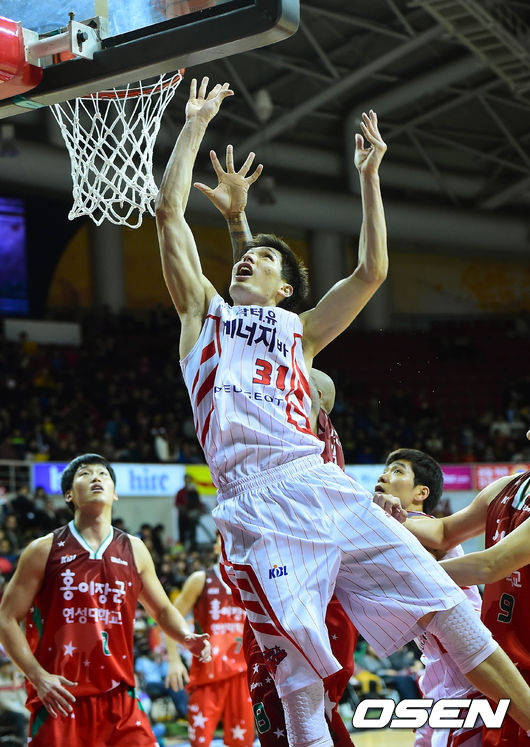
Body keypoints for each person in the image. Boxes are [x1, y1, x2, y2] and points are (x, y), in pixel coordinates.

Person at [155, 76, 530, 746]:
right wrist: (193, 126)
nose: (249, 262)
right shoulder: (202, 319)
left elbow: (370, 272)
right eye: (246, 256)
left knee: (450, 609)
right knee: (299, 684)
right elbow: (168, 213)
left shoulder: (299, 334)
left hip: (321, 484)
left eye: (264, 260)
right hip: (256, 505)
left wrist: (369, 176)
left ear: (285, 288)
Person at [0, 453, 211, 747]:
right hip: (61, 699)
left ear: (115, 493)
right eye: (85, 474)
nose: (96, 477)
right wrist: (38, 676)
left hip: (120, 699)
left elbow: (162, 609)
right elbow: (6, 618)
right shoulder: (43, 550)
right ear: (69, 495)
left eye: (103, 474)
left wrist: (185, 636)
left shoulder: (135, 549)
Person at [399, 430, 530, 746]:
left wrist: (408, 577)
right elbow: (443, 531)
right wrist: (390, 515)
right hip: (503, 673)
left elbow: (491, 565)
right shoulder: (506, 487)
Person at [376, 448, 485, 747]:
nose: (384, 476)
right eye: (385, 470)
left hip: (465, 669)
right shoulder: (392, 529)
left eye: (397, 471)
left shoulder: (423, 528)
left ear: (421, 492)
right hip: (436, 670)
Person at [169, 534, 254, 747]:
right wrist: (174, 660)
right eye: (223, 538)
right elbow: (169, 618)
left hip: (243, 675)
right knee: (199, 742)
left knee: (242, 744)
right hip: (207, 673)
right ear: (216, 547)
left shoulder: (252, 581)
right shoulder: (200, 579)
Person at [175, 474, 205, 550]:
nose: (187, 481)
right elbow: (177, 504)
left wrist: (199, 510)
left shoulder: (194, 492)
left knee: (192, 535)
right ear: (184, 480)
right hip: (183, 517)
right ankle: (182, 551)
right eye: (186, 480)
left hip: (192, 518)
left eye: (189, 480)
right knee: (182, 535)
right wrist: (185, 511)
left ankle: (193, 550)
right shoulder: (180, 492)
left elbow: (198, 503)